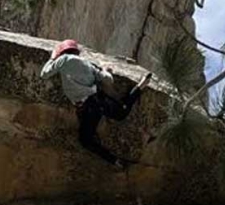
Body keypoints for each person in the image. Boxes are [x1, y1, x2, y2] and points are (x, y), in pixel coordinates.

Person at [40, 39, 152, 169]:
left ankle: (114, 160)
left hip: (87, 106)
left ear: (62, 52)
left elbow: (44, 74)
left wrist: (52, 58)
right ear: (76, 52)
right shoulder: (88, 64)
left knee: (85, 140)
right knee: (121, 113)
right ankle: (140, 86)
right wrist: (106, 71)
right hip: (97, 99)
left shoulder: (63, 59)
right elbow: (108, 80)